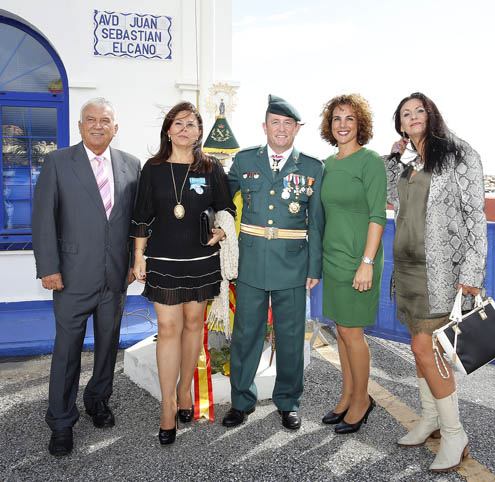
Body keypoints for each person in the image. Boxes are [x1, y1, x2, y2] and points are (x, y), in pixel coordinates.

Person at [32, 98, 141, 456]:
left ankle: (98, 401)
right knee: (67, 352)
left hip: (114, 277)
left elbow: (132, 221)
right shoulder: (58, 162)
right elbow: (43, 218)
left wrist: (132, 260)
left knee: (108, 347)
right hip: (71, 278)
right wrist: (49, 267)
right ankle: (61, 422)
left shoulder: (131, 165)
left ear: (115, 127)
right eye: (90, 120)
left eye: (105, 120)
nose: (97, 125)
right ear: (79, 126)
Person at [385, 92, 487, 472]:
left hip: (441, 271)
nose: (412, 117)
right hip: (407, 270)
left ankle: (454, 431)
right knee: (420, 350)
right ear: (400, 124)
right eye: (405, 114)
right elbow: (386, 192)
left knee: (424, 347)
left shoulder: (460, 155)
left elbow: (476, 216)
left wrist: (473, 275)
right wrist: (394, 155)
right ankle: (429, 418)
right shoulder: (408, 160)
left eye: (418, 111)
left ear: (432, 115)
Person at [131, 101, 235, 445]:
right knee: (167, 327)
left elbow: (225, 207)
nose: (184, 129)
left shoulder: (210, 167)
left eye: (191, 124)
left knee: (194, 325)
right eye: (178, 123)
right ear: (168, 129)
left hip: (201, 260)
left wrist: (221, 232)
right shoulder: (153, 168)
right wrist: (139, 257)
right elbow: (142, 216)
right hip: (162, 260)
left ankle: (186, 389)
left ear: (199, 132)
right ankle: (167, 406)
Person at [222, 94, 324, 430]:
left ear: (297, 129)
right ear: (264, 126)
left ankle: (289, 401)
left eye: (288, 124)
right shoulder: (245, 161)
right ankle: (241, 401)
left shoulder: (312, 167)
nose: (281, 129)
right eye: (275, 123)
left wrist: (313, 267)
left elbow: (316, 222)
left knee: (291, 337)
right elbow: (223, 200)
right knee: (246, 335)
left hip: (293, 266)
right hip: (251, 263)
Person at [319, 94, 386, 434]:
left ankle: (362, 400)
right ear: (329, 126)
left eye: (349, 118)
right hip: (333, 259)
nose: (342, 124)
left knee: (353, 333)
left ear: (360, 124)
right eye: (336, 119)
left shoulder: (370, 161)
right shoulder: (328, 164)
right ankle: (347, 396)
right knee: (342, 333)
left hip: (360, 260)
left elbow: (378, 216)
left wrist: (367, 262)